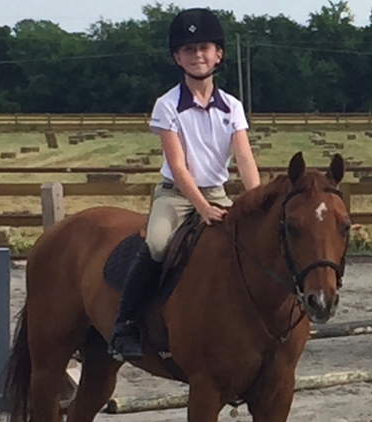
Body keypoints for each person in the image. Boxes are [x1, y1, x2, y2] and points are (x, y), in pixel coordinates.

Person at [108, 7, 260, 361]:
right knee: (158, 244)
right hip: (176, 195)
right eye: (189, 50)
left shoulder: (233, 107)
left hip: (218, 192)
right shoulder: (167, 105)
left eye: (204, 48)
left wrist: (256, 202)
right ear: (178, 57)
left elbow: (245, 159)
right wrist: (202, 208)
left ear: (218, 54)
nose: (197, 55)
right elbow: (177, 165)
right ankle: (126, 324)